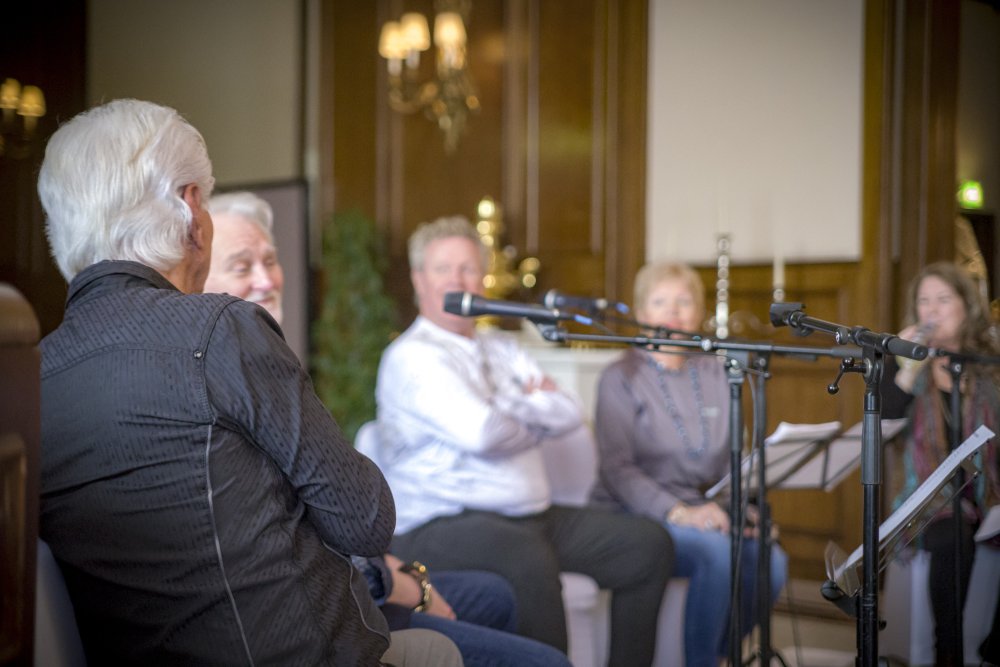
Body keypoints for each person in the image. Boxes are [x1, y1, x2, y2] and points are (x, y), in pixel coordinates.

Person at [35, 99, 461, 666]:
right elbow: (365, 520)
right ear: (191, 211)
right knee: (439, 648)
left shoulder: (32, 375)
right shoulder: (221, 328)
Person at [204, 191, 570, 667]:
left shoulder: (273, 364)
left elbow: (565, 414)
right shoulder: (231, 385)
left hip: (360, 569)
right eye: (241, 266)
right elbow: (479, 435)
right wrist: (396, 581)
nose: (266, 278)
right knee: (531, 605)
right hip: (321, 604)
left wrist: (389, 570)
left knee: (496, 593)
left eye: (271, 260)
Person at [372, 215, 673, 666]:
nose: (457, 280)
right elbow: (482, 432)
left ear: (483, 278)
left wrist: (502, 407)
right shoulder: (411, 356)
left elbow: (569, 412)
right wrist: (530, 405)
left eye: (468, 268)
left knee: (647, 545)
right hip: (438, 525)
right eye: (443, 269)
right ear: (419, 280)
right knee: (527, 558)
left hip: (528, 516)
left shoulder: (502, 347)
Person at [590, 261, 789, 667]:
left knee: (772, 560)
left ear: (699, 313)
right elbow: (617, 469)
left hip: (705, 511)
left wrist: (740, 511)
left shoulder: (718, 373)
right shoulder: (620, 376)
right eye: (660, 302)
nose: (673, 312)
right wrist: (681, 512)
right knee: (716, 552)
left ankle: (722, 655)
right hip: (636, 514)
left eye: (683, 301)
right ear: (641, 312)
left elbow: (733, 461)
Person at [882, 261, 1000, 667]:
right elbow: (884, 422)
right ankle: (945, 654)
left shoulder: (989, 364)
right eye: (923, 301)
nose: (931, 310)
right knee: (953, 538)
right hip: (931, 501)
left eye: (943, 300)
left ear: (967, 306)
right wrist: (903, 367)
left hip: (989, 493)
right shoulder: (907, 368)